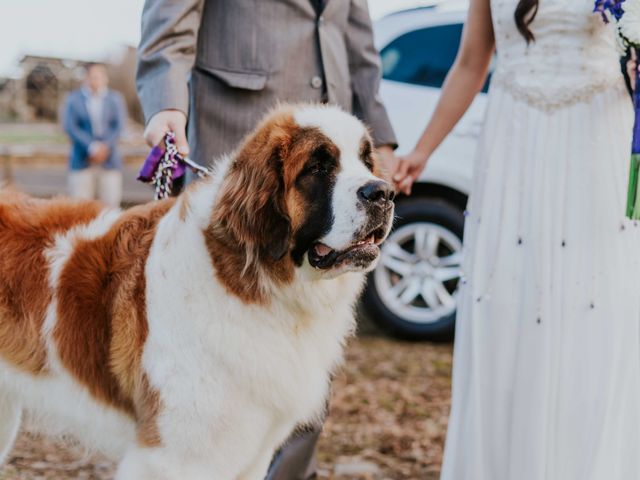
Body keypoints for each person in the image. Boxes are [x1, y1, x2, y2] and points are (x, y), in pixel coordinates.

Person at [135, 1, 398, 478]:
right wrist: (166, 99)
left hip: (337, 131)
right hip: (240, 128)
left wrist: (379, 140)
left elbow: (355, 32)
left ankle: (290, 473)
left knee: (309, 343)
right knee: (208, 360)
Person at [394, 0, 640, 478]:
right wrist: (423, 150)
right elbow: (470, 63)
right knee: (507, 301)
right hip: (513, 147)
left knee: (589, 307)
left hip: (592, 145)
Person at [63, 63, 127, 208]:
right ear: (86, 78)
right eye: (92, 76)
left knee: (111, 205)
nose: (96, 79)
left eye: (99, 76)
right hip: (81, 160)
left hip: (109, 161)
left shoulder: (115, 99)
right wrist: (92, 147)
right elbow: (71, 127)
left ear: (105, 78)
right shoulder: (73, 99)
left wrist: (104, 147)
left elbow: (119, 126)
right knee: (79, 208)